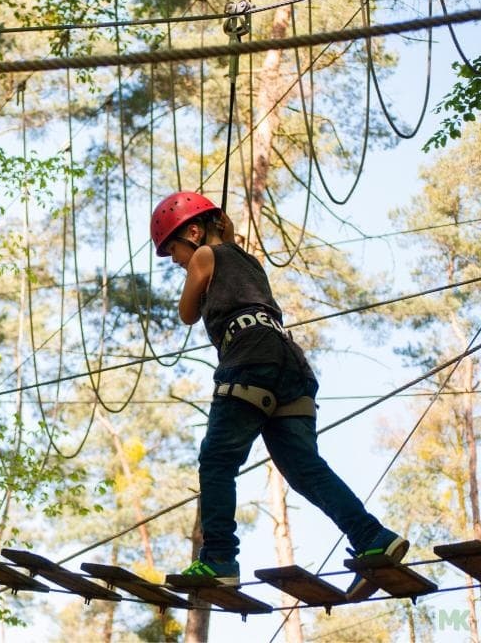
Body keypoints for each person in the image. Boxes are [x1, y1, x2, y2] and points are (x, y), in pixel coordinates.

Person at [150, 191, 407, 600]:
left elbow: (187, 312)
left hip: (250, 356)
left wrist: (196, 265)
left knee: (217, 460)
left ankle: (218, 559)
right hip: (290, 363)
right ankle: (372, 536)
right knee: (304, 467)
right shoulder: (250, 262)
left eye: (174, 251)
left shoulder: (203, 258)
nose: (177, 261)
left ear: (194, 233)